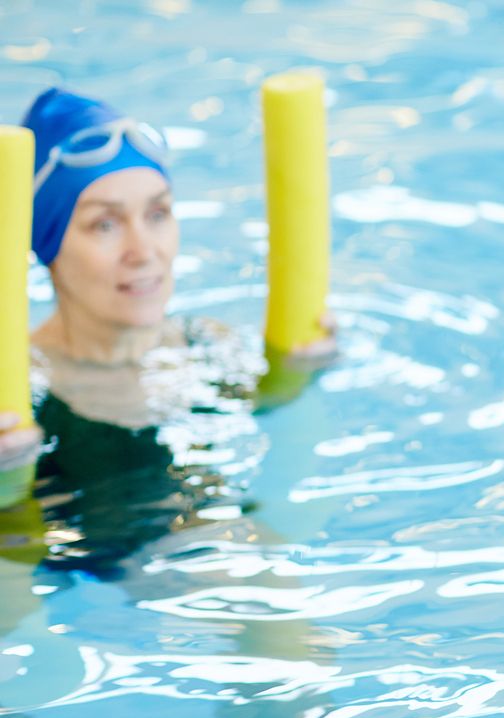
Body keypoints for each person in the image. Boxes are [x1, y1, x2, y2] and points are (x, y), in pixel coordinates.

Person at [0, 87, 335, 577]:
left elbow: (280, 437)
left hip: (191, 548)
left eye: (157, 214)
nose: (144, 250)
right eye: (104, 226)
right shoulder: (18, 389)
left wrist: (301, 371)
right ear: (47, 243)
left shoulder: (207, 344)